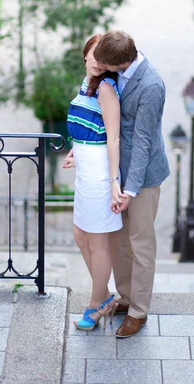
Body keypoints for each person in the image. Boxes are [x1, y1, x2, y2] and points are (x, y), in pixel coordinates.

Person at [93, 30, 170, 338]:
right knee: (121, 241)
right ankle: (125, 298)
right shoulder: (119, 71)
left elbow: (143, 142)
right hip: (119, 174)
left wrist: (130, 190)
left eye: (104, 63)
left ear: (120, 62)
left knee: (141, 244)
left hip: (143, 178)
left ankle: (139, 312)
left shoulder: (151, 85)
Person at [63, 34, 123, 331]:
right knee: (79, 234)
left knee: (98, 243)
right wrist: (77, 151)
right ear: (85, 54)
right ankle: (105, 295)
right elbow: (88, 127)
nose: (99, 61)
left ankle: (96, 304)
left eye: (104, 57)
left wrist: (113, 182)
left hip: (100, 175)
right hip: (85, 171)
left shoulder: (106, 89)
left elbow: (112, 137)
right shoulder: (85, 87)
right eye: (94, 54)